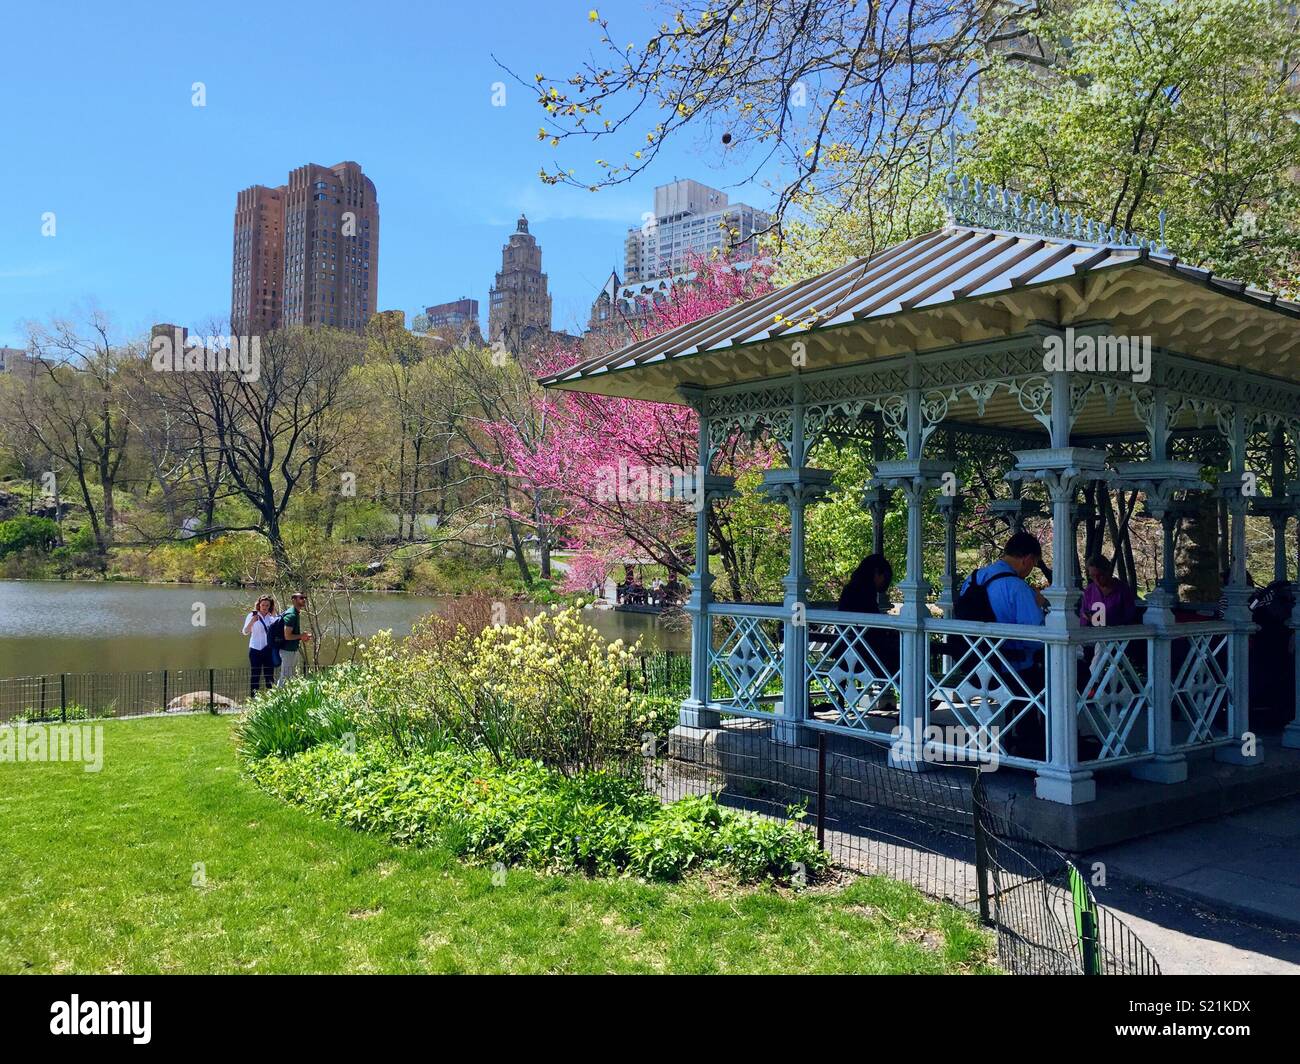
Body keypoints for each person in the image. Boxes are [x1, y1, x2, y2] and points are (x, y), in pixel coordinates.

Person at [957, 532, 1047, 758]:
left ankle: (1017, 737)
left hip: (974, 663)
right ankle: (1038, 743)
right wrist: (1039, 605)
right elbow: (1034, 637)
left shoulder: (974, 578)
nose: (1030, 570)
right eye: (1033, 564)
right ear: (1026, 559)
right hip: (1010, 668)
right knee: (1053, 680)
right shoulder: (1017, 587)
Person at [834, 553, 899, 673]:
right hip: (860, 653)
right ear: (876, 573)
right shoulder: (863, 591)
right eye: (884, 576)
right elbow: (872, 626)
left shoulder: (852, 588)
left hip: (846, 648)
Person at [1078, 554, 1139, 627]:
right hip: (1094, 635)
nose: (1096, 580)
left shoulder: (1122, 590)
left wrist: (1107, 620)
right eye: (1092, 576)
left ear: (1107, 572)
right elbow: (1083, 617)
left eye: (1100, 575)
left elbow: (1130, 618)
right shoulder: (1089, 591)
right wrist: (1088, 618)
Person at [242, 595, 279, 697]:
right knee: (255, 675)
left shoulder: (271, 617)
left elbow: (277, 631)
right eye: (263, 605)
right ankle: (253, 698)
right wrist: (252, 621)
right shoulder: (252, 615)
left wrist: (274, 615)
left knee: (269, 675)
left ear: (270, 606)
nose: (265, 607)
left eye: (267, 605)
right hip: (255, 649)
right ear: (259, 605)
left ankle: (271, 698)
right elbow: (245, 632)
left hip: (268, 650)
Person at [276, 591, 312, 687]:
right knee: (285, 675)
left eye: (304, 598)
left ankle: (286, 696)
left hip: (291, 650)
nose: (304, 600)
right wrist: (301, 636)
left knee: (290, 675)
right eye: (301, 598)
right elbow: (287, 636)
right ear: (294, 600)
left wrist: (301, 637)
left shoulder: (295, 613)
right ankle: (279, 697)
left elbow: (292, 635)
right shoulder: (291, 615)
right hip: (287, 650)